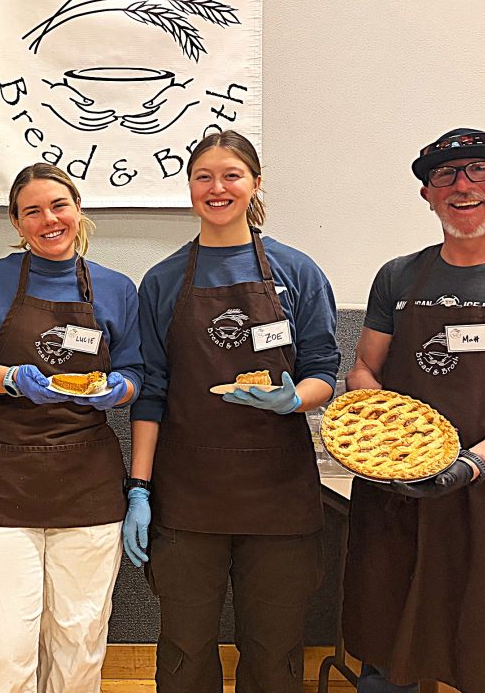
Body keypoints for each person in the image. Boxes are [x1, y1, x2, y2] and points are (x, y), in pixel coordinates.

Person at [342, 128, 485, 693]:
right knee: (385, 657)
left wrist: (469, 465)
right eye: (444, 175)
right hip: (396, 503)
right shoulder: (397, 277)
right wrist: (384, 443)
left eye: (479, 170)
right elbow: (363, 370)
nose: (462, 185)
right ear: (427, 195)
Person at [124, 130, 339, 693]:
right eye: (204, 177)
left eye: (231, 175)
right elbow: (151, 392)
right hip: (187, 491)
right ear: (189, 187)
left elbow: (323, 369)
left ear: (255, 183)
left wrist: (295, 399)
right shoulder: (164, 280)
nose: (217, 188)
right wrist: (139, 489)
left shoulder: (297, 271)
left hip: (280, 490)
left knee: (274, 650)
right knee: (185, 648)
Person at [0, 163, 143, 693]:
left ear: (78, 210)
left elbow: (137, 372)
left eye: (59, 206)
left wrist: (118, 388)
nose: (49, 219)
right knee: (4, 645)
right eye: (32, 211)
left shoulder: (116, 288)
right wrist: (8, 378)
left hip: (89, 482)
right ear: (16, 222)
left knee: (80, 639)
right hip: (2, 483)